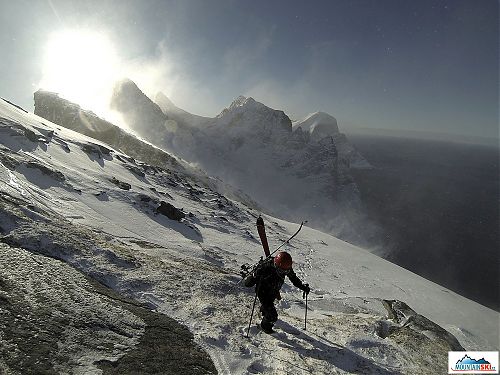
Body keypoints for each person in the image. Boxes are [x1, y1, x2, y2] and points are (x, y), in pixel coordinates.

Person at [243, 251, 310, 333]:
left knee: (268, 308)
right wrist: (255, 275)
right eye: (282, 271)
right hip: (263, 292)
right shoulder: (265, 267)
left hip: (274, 290)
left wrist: (303, 287)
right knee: (272, 316)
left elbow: (293, 279)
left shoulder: (285, 267)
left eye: (286, 271)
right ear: (276, 265)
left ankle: (265, 312)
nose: (284, 273)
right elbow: (248, 284)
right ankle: (264, 327)